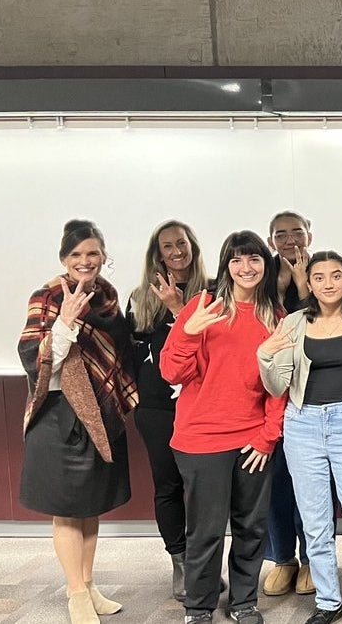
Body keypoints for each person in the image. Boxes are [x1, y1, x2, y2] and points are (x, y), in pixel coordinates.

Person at [161, 230, 287, 624]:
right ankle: (198, 608)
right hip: (201, 439)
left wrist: (268, 437)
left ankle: (243, 602)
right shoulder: (203, 306)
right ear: (225, 266)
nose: (245, 268)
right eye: (236, 260)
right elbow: (171, 371)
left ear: (266, 266)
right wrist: (188, 331)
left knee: (251, 526)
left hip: (253, 439)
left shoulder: (276, 317)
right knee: (207, 531)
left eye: (254, 259)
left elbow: (278, 386)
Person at [257, 251, 342, 624]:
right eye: (319, 277)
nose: (328, 283)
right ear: (310, 284)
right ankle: (328, 602)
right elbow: (278, 384)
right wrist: (264, 357)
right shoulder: (294, 323)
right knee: (316, 523)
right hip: (303, 427)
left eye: (336, 276)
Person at [19, 220, 137, 624]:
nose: (85, 262)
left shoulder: (106, 297)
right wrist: (65, 324)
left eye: (92, 254)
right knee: (67, 509)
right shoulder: (49, 294)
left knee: (90, 507)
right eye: (76, 255)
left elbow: (116, 354)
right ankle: (74, 593)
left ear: (103, 255)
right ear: (63, 259)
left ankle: (88, 585)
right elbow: (35, 358)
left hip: (98, 414)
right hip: (59, 414)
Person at [126, 220, 210, 602]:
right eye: (167, 246)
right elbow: (133, 353)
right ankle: (181, 562)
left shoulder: (211, 293)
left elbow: (211, 348)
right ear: (157, 254)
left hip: (202, 404)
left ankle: (203, 564)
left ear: (192, 245)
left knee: (204, 488)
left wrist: (180, 310)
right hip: (157, 408)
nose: (176, 250)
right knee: (169, 484)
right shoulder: (141, 297)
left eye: (182, 242)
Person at [263, 210, 314, 598]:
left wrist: (303, 285)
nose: (290, 239)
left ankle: (313, 559)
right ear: (271, 242)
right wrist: (281, 289)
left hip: (312, 396)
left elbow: (326, 322)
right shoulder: (260, 277)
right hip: (269, 394)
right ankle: (283, 559)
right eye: (281, 234)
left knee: (311, 485)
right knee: (275, 482)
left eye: (297, 231)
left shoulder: (325, 270)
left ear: (309, 234)